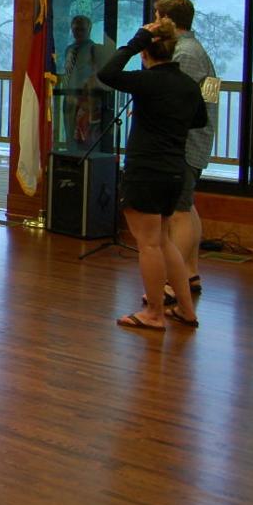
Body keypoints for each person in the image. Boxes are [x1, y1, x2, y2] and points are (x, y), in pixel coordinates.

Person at [98, 19, 206, 331]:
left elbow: (107, 73)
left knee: (149, 244)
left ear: (146, 53)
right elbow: (197, 119)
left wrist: (135, 41)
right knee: (164, 240)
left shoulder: (149, 81)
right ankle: (186, 310)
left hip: (146, 169)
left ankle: (155, 313)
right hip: (174, 169)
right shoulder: (186, 83)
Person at [152, 0, 218, 305]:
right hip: (194, 138)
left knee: (177, 214)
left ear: (167, 20)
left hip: (185, 142)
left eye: (156, 16)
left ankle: (171, 281)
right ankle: (190, 272)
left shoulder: (186, 53)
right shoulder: (197, 49)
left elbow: (178, 98)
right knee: (187, 207)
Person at [61, 15, 112, 152]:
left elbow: (97, 75)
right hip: (68, 96)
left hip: (85, 99)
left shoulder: (94, 49)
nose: (78, 32)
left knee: (84, 136)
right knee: (69, 132)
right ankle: (70, 157)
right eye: (75, 29)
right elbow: (66, 72)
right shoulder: (69, 50)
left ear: (89, 29)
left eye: (82, 29)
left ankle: (84, 161)